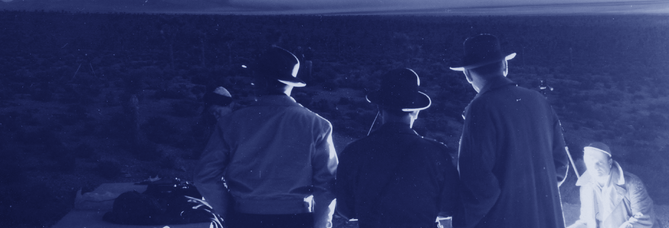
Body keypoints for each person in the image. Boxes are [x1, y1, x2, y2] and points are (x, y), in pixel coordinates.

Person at [194, 46, 338, 228]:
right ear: (291, 82)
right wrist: (321, 225)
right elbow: (326, 186)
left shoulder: (231, 123)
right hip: (298, 219)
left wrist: (228, 212)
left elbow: (204, 176)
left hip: (244, 217)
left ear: (260, 79)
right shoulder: (318, 125)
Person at [450, 33, 569, 228]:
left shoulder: (481, 107)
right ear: (505, 65)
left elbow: (477, 181)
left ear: (467, 74)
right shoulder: (538, 100)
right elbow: (560, 164)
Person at [336, 68, 464, 228]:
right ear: (416, 111)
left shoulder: (353, 151)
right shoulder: (438, 153)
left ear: (379, 108)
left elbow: (345, 210)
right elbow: (448, 208)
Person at [566, 142, 656, 228]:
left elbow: (643, 219)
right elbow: (586, 222)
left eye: (599, 162)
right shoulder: (585, 187)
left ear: (609, 162)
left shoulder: (631, 183)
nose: (595, 167)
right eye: (590, 163)